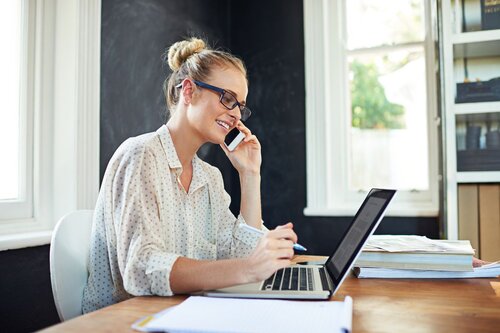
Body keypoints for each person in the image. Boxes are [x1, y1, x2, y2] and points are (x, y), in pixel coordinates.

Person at [82, 37, 298, 313]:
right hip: (124, 320)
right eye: (228, 99)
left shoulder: (209, 177)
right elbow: (140, 267)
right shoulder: (141, 156)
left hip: (182, 313)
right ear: (188, 91)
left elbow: (241, 258)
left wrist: (250, 174)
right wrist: (248, 268)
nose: (236, 116)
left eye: (240, 106)